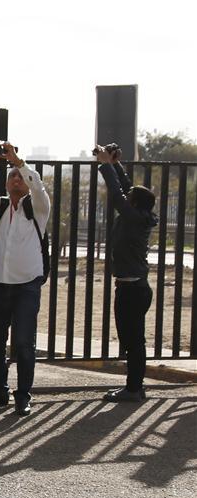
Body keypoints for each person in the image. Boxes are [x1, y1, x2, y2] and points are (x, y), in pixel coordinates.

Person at [0, 141, 51, 417]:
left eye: (19, 176)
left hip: (27, 285)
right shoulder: (1, 207)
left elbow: (37, 185)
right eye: (12, 176)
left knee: (24, 344)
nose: (16, 179)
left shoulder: (38, 207)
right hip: (0, 284)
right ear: (6, 185)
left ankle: (23, 395)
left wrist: (17, 161)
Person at [95, 145, 157, 401]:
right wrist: (115, 164)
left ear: (133, 203)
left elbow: (119, 195)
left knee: (132, 342)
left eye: (130, 196)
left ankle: (133, 389)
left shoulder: (132, 216)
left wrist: (105, 165)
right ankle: (135, 387)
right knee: (133, 341)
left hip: (132, 290)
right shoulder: (139, 215)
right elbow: (127, 189)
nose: (127, 193)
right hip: (134, 287)